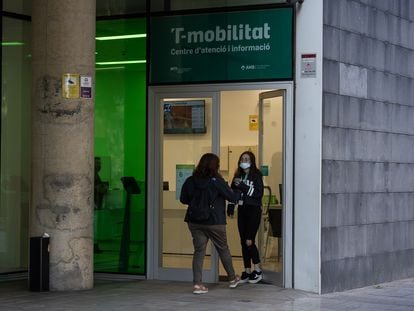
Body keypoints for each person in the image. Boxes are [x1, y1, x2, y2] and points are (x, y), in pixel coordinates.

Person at [180, 153, 242, 294]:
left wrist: (197, 202)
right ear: (216, 166)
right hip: (214, 221)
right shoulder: (216, 181)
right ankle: (232, 279)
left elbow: (183, 199)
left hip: (194, 221)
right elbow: (232, 197)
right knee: (222, 248)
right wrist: (238, 190)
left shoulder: (191, 180)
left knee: (199, 251)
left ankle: (197, 284)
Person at [227, 151, 264, 284]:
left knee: (249, 240)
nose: (244, 160)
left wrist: (242, 185)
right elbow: (233, 192)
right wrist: (231, 205)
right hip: (242, 210)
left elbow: (258, 193)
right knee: (243, 241)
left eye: (247, 159)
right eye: (242, 158)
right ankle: (247, 271)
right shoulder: (238, 175)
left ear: (252, 161)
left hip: (253, 210)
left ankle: (258, 270)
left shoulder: (256, 175)